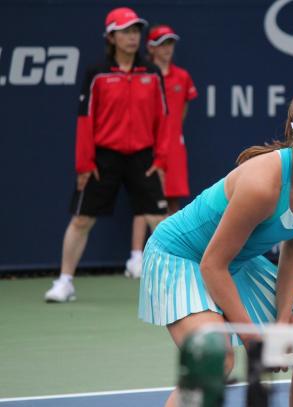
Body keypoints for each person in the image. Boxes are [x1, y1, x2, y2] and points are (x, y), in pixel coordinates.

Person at [138, 84, 293, 407]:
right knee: (215, 361)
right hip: (180, 255)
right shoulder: (263, 184)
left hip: (237, 261)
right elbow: (212, 265)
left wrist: (282, 323)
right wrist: (256, 342)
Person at [44, 7, 169, 302]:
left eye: (136, 31)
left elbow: (163, 118)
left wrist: (161, 159)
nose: (132, 37)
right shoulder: (97, 73)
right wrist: (84, 163)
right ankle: (65, 282)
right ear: (111, 36)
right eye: (125, 32)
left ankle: (176, 284)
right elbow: (85, 119)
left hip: (143, 157)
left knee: (161, 223)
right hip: (103, 159)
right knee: (81, 220)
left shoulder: (151, 73)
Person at [125, 24, 198, 279]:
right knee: (143, 202)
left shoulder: (182, 77)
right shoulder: (144, 75)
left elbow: (181, 113)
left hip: (174, 146)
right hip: (148, 145)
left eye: (171, 44)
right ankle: (136, 258)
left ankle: (174, 254)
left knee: (173, 200)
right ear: (151, 47)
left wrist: (172, 133)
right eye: (162, 44)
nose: (167, 49)